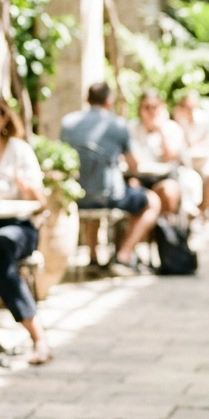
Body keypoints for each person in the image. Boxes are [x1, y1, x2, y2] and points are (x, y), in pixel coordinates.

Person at [61, 82, 160, 277]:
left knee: (91, 190)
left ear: (86, 99)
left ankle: (92, 258)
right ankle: (123, 257)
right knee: (153, 202)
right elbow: (135, 165)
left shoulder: (68, 123)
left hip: (77, 196)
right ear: (109, 101)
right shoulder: (118, 124)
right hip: (109, 196)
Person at [0, 91, 51, 362]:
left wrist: (28, 190)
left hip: (19, 227)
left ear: (4, 118)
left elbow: (42, 203)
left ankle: (39, 337)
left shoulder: (19, 150)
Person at [131, 91, 201, 221]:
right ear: (140, 109)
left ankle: (167, 232)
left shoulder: (172, 128)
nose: (151, 111)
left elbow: (169, 155)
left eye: (155, 107)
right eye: (147, 107)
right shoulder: (132, 128)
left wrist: (160, 128)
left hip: (166, 178)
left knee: (168, 191)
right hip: (139, 179)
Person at [172, 92, 209, 216]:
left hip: (205, 160)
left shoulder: (205, 119)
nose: (189, 111)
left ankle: (203, 212)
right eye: (186, 107)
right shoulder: (176, 120)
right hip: (183, 163)